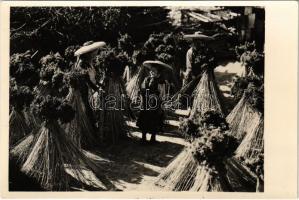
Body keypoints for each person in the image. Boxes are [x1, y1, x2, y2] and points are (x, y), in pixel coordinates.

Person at [137, 65, 165, 144]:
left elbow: (162, 93)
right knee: (144, 118)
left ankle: (153, 138)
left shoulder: (160, 81)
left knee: (154, 119)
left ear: (158, 73)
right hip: (146, 101)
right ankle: (143, 138)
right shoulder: (146, 79)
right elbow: (142, 89)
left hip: (155, 102)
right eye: (151, 70)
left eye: (154, 71)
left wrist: (160, 102)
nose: (152, 72)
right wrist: (143, 95)